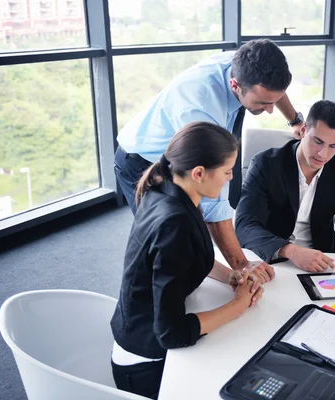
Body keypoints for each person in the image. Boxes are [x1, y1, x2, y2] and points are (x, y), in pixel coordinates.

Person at [114, 39, 302, 283]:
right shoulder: (200, 108)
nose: (269, 110)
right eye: (263, 103)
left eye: (272, 101)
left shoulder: (246, 63)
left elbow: (275, 91)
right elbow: (215, 202)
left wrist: (294, 120)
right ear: (235, 85)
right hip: (142, 161)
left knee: (192, 238)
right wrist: (241, 264)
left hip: (182, 151)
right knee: (171, 243)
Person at [110, 122, 264, 399]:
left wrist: (229, 274)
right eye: (227, 171)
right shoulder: (175, 222)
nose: (230, 177)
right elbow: (172, 333)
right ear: (199, 173)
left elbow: (182, 258)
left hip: (137, 332)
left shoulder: (167, 189)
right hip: (148, 367)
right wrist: (238, 305)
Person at [235, 100, 335, 272]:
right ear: (303, 130)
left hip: (320, 264)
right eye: (318, 141)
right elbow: (245, 225)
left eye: (333, 146)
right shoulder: (266, 164)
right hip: (271, 260)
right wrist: (290, 251)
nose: (323, 154)